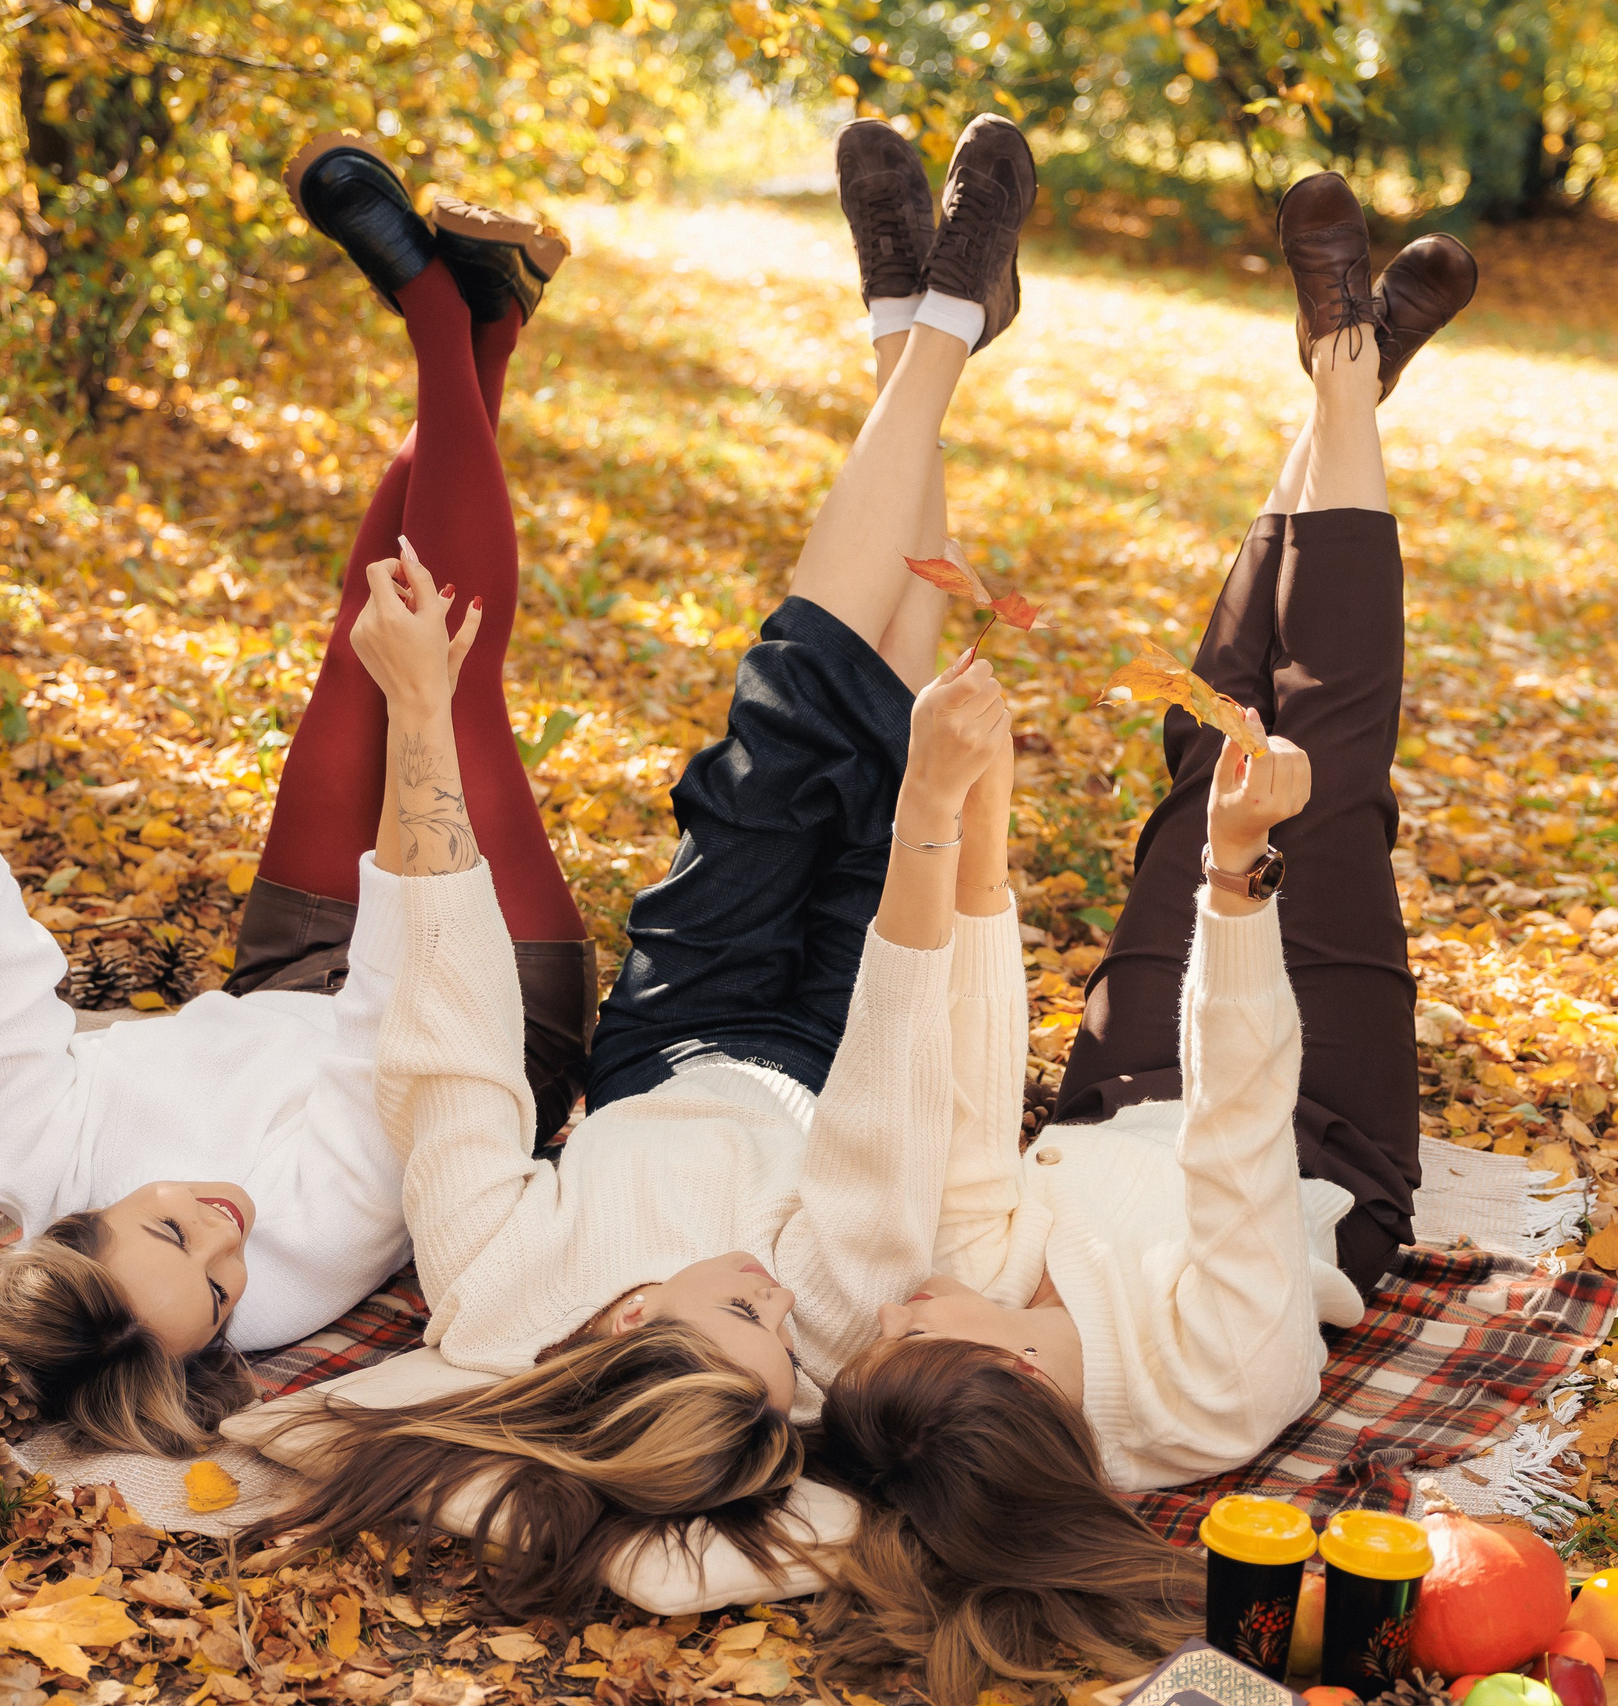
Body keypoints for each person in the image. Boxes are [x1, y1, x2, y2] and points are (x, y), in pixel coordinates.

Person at [258, 114, 1040, 1618]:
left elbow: (452, 1038)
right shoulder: (816, 1358)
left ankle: (933, 329)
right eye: (783, 1363)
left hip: (678, 1025)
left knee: (795, 702)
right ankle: (921, 327)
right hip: (852, 1043)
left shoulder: (496, 1303)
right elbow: (893, 1108)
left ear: (622, 1326)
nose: (778, 1319)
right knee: (889, 709)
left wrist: (422, 719)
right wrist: (930, 826)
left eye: (740, 1324)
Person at [0, 138, 581, 1456]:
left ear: (77, 1221)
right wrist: (421, 716)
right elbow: (401, 1005)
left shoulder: (28, 1155)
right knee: (445, 654)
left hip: (290, 975)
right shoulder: (303, 1263)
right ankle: (445, 316)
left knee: (361, 637)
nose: (228, 1234)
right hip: (465, 1012)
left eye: (171, 1229)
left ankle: (483, 328)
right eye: (218, 1294)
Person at [805, 171, 1479, 1706]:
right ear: (1008, 1372)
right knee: (1326, 759)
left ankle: (1344, 384)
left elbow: (974, 1088)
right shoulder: (1209, 1385)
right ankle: (1348, 376)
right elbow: (1240, 1134)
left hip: (1118, 1090)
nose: (887, 1308)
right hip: (1312, 1129)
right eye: (904, 1335)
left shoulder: (968, 1299)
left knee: (1211, 731)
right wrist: (1239, 887)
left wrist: (979, 820)